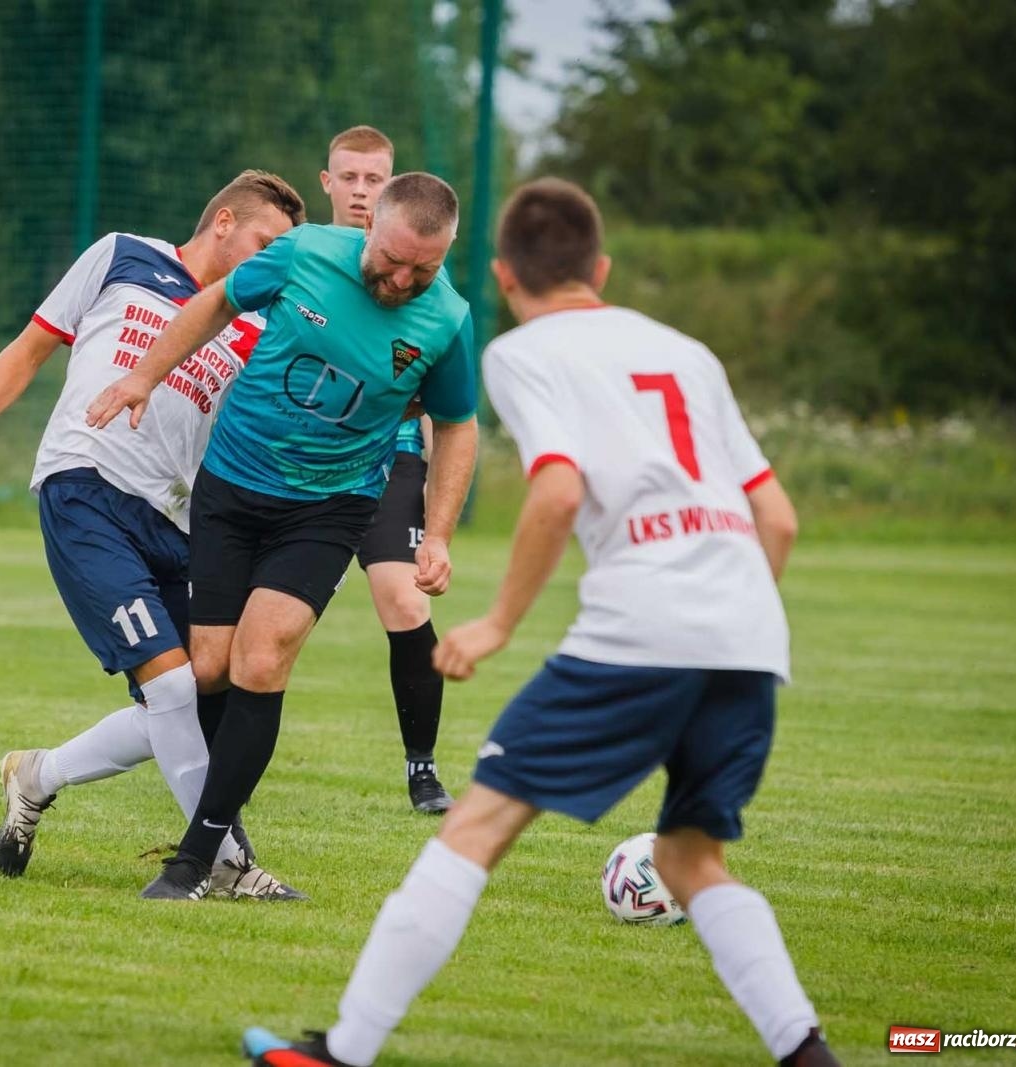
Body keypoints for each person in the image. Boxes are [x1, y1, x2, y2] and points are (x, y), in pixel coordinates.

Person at [240, 178, 839, 1066]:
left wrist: (496, 626)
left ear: (502, 274)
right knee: (692, 861)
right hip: (749, 638)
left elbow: (556, 489)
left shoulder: (528, 354)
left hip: (640, 631)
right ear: (601, 267)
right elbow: (777, 520)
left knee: (472, 830)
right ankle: (810, 1055)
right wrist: (732, 618)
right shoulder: (688, 352)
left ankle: (340, 1053)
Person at [87, 172, 480, 901]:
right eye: (391, 259)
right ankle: (60, 777)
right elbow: (215, 302)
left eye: (422, 269)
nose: (401, 279)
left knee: (260, 660)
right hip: (231, 488)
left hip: (328, 508)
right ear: (371, 230)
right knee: (207, 669)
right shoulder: (303, 254)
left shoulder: (447, 318)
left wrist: (441, 532)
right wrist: (145, 376)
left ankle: (195, 860)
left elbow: (458, 424)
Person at [0, 170, 309, 900]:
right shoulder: (121, 255)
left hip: (177, 522)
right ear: (225, 221)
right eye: (267, 243)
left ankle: (36, 775)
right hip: (85, 490)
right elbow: (30, 347)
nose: (273, 263)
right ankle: (230, 865)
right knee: (170, 684)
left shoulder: (254, 325)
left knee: (197, 693)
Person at [321, 125, 452, 815]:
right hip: (300, 460)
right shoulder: (305, 257)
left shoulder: (427, 273)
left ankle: (423, 769)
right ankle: (211, 760)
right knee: (258, 627)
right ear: (328, 183)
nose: (363, 191)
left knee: (405, 602)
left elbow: (445, 390)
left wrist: (435, 489)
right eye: (351, 178)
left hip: (390, 456)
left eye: (376, 179)